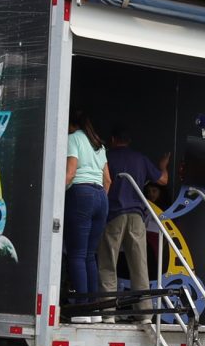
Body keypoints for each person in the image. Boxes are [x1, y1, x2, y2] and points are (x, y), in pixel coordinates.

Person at [100, 125, 166, 295]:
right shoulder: (140, 158)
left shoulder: (106, 157)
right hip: (137, 217)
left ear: (113, 140)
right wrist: (163, 166)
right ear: (129, 141)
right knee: (139, 266)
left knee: (108, 263)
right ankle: (144, 313)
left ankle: (108, 312)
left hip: (113, 215)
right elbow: (163, 180)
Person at [63, 111, 110, 303]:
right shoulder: (99, 144)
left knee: (76, 254)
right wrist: (97, 199)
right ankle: (93, 308)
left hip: (81, 194)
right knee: (90, 255)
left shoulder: (73, 138)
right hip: (101, 197)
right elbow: (108, 180)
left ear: (71, 124)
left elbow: (71, 173)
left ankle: (81, 308)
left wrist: (56, 196)